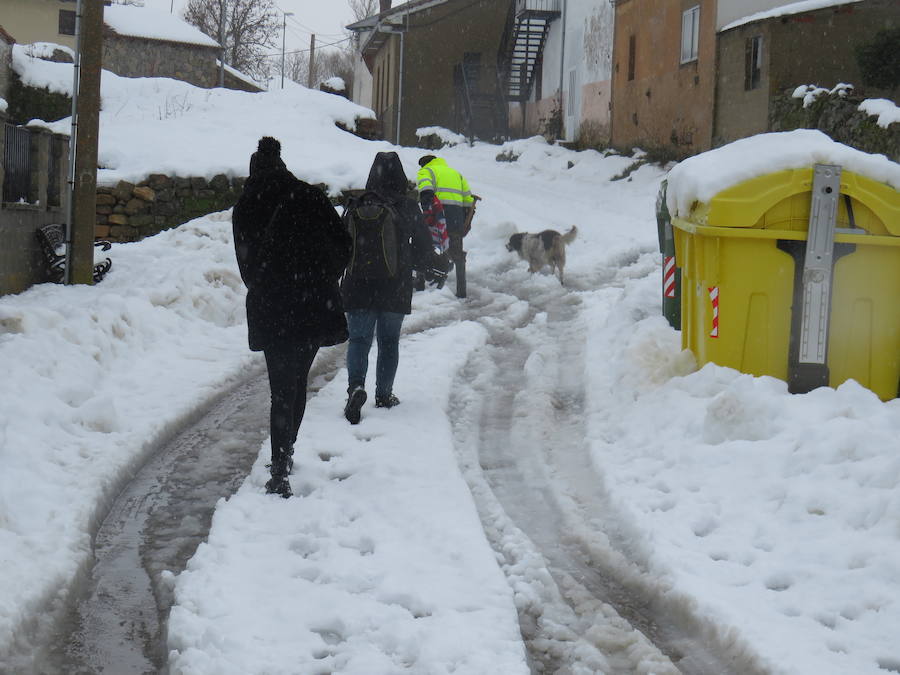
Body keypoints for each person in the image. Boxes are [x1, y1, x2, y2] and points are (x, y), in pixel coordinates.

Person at [232, 137, 351, 498]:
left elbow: (247, 267)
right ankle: (286, 452)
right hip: (313, 302)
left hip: (272, 307)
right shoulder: (311, 197)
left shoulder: (246, 207)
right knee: (298, 381)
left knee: (280, 388)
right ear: (282, 165)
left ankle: (280, 464)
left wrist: (268, 281)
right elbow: (344, 246)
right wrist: (321, 275)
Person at [341, 151, 437, 424]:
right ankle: (383, 394)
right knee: (388, 341)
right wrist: (419, 265)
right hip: (395, 286)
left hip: (358, 285)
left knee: (359, 340)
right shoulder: (407, 206)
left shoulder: (357, 204)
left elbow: (341, 243)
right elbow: (423, 246)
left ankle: (355, 387)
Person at [417, 154, 475, 298]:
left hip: (437, 216)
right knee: (456, 253)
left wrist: (425, 211)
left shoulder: (427, 171)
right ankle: (461, 292)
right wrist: (464, 219)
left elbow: (426, 193)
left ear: (425, 164)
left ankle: (420, 285)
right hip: (456, 217)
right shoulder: (456, 174)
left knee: (425, 246)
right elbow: (468, 200)